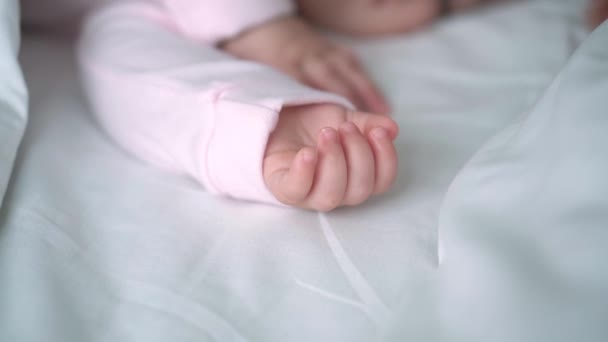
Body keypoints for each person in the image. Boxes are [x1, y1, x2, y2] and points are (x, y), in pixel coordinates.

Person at [43, 0, 608, 211]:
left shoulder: (142, 15)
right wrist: (257, 21)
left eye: (443, 4)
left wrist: (267, 122)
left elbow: (131, 71)